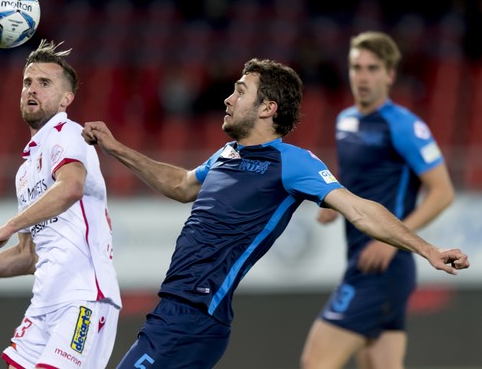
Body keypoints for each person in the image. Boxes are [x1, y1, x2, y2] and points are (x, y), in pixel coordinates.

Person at [81, 57, 469, 368]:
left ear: (268, 108)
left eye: (239, 91)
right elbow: (182, 185)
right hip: (176, 312)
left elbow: (360, 209)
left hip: (195, 316)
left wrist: (427, 249)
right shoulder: (226, 154)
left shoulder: (292, 163)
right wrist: (116, 148)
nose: (227, 99)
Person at [0, 40, 121, 369]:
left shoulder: (67, 132)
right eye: (28, 82)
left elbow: (71, 187)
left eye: (45, 83)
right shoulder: (26, 170)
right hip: (44, 302)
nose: (32, 89)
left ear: (65, 99)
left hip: (82, 297)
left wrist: (9, 225)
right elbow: (29, 256)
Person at [300, 31, 456, 369]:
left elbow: (443, 192)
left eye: (372, 68)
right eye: (357, 67)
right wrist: (335, 204)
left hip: (383, 266)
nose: (363, 76)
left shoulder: (403, 126)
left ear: (389, 74)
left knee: (316, 362)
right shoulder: (345, 120)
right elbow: (361, 179)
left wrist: (392, 242)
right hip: (361, 257)